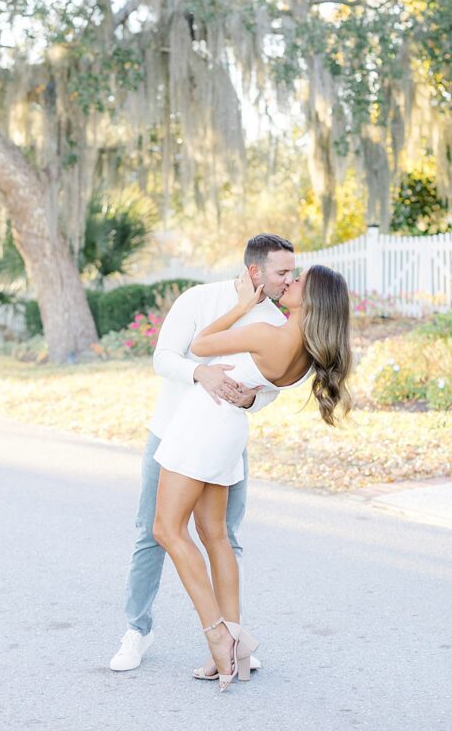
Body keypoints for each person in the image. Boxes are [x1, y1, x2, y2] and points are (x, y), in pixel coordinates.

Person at [152, 261, 352, 691]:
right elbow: (259, 388)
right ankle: (236, 643)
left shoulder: (270, 334)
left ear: (311, 299)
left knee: (167, 529)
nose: (290, 281)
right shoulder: (303, 352)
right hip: (229, 428)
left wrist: (242, 304)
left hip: (204, 423)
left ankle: (217, 635)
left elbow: (201, 344)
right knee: (214, 533)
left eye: (298, 281)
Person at [110, 233, 301, 675]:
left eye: (291, 272)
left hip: (222, 439)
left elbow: (271, 388)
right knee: (151, 534)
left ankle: (233, 643)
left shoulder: (275, 319)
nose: (289, 280)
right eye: (282, 272)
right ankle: (137, 631)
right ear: (255, 271)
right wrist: (202, 375)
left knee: (223, 535)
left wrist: (251, 401)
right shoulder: (200, 299)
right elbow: (164, 358)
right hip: (170, 434)